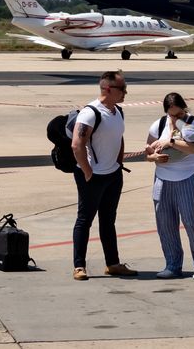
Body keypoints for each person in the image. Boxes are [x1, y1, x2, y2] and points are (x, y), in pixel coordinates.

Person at [70, 70, 137, 281]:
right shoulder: (90, 113)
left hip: (113, 175)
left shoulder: (118, 111)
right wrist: (88, 171)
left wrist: (119, 162)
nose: (126, 92)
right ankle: (79, 266)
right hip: (93, 177)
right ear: (108, 89)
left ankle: (113, 264)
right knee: (85, 220)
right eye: (122, 89)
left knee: (108, 221)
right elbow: (76, 144)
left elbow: (119, 136)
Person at [144, 92, 194, 280]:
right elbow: (147, 152)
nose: (176, 118)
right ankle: (173, 264)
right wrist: (153, 157)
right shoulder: (158, 125)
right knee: (165, 224)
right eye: (172, 115)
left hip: (187, 177)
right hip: (163, 180)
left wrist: (171, 141)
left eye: (179, 114)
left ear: (184, 109)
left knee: (192, 222)